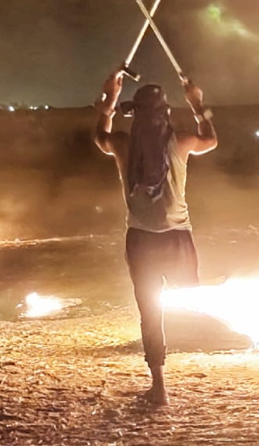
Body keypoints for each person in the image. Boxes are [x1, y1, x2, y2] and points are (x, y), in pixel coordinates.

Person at [93, 70, 217, 405]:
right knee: (189, 299)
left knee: (151, 311)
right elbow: (211, 140)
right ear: (165, 113)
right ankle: (212, 346)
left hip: (142, 240)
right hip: (178, 238)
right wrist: (198, 104)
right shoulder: (181, 141)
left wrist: (109, 102)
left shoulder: (122, 143)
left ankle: (160, 387)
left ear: (136, 114)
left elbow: (100, 138)